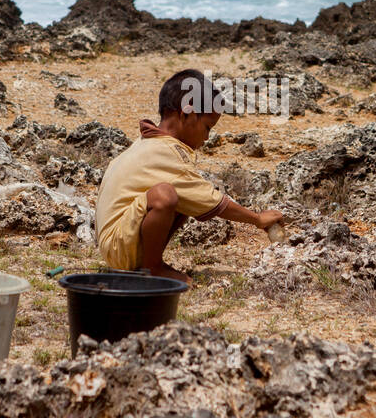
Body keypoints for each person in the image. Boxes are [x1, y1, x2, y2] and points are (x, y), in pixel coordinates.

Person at [95, 69, 283, 284]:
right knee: (165, 195)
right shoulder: (163, 153)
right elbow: (212, 200)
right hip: (118, 247)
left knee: (186, 197)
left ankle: (148, 264)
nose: (206, 137)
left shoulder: (148, 145)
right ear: (186, 114)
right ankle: (153, 268)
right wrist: (257, 219)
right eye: (207, 127)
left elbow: (198, 197)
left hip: (118, 243)